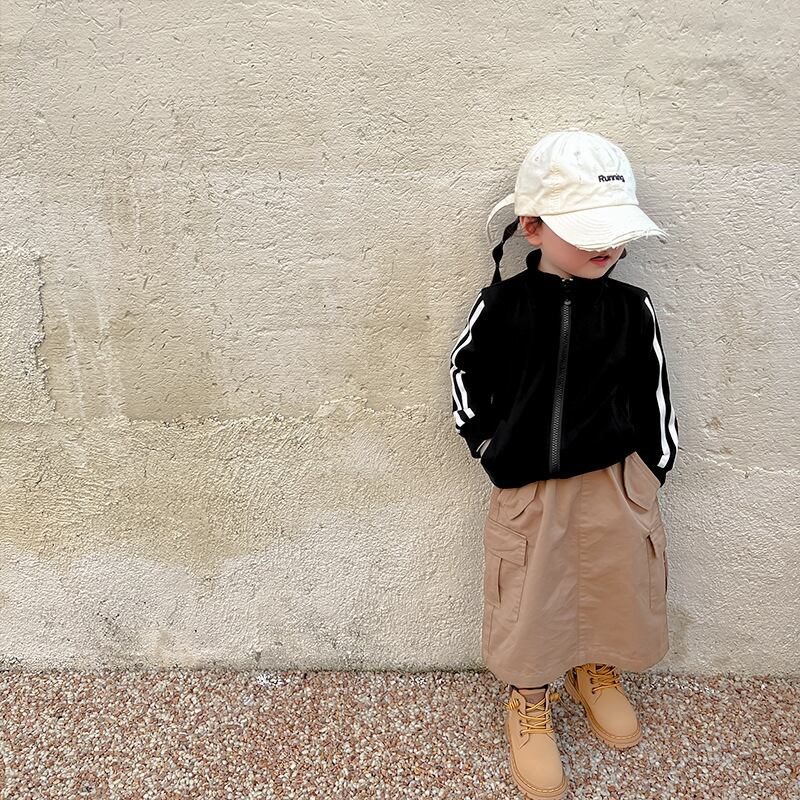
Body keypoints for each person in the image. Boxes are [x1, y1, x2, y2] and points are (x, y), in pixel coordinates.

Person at [448, 130, 679, 800]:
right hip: (530, 487)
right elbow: (464, 375)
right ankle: (529, 697)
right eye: (589, 232)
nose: (608, 247)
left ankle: (594, 670)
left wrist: (651, 470)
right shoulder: (502, 306)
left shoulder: (631, 308)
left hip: (614, 482)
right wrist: (490, 449)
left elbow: (654, 392)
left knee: (614, 582)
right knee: (531, 597)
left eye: (615, 232)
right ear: (533, 227)